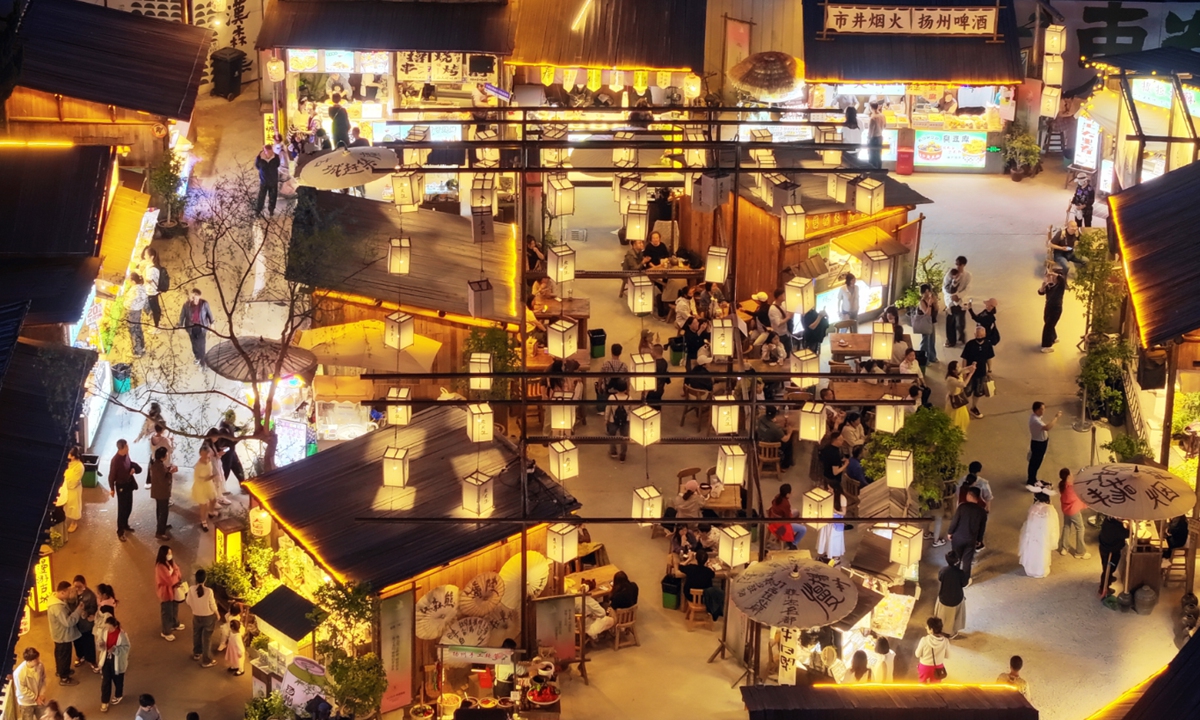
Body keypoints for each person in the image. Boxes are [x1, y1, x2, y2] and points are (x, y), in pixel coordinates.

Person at [1019, 481, 1060, 578]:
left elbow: (1029, 522)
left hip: (1033, 534)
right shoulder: (1050, 509)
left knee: (1032, 549)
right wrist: (1053, 538)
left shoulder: (1033, 508)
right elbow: (1054, 525)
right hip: (1044, 535)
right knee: (1042, 551)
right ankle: (1040, 570)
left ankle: (1031, 569)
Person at [947, 487, 987, 581]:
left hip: (958, 537)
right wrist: (979, 540)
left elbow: (955, 521)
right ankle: (965, 580)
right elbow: (982, 527)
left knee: (956, 557)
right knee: (967, 560)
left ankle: (954, 577)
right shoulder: (982, 511)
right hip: (971, 539)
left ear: (969, 495)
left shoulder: (962, 507)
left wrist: (950, 532)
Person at [48, 581, 83, 685]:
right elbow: (68, 622)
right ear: (62, 592)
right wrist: (78, 610)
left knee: (59, 654)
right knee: (65, 656)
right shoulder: (57, 607)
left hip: (57, 634)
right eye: (68, 592)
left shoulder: (55, 599)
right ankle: (64, 678)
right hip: (63, 636)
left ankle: (61, 671)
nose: (70, 594)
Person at [96, 615, 130, 712]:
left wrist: (115, 649)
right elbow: (100, 641)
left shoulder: (122, 635)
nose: (108, 630)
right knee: (106, 681)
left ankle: (118, 695)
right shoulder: (104, 631)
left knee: (118, 680)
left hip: (118, 661)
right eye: (107, 627)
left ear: (115, 626)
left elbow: (126, 648)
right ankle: (104, 701)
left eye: (110, 628)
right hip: (106, 659)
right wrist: (101, 645)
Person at [108, 439, 138, 542]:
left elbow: (129, 464)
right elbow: (111, 476)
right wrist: (112, 489)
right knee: (122, 509)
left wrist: (133, 469)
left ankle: (125, 524)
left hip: (128, 484)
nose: (128, 448)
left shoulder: (126, 455)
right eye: (127, 446)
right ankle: (120, 531)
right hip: (121, 486)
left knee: (129, 506)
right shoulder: (115, 461)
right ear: (122, 448)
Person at [960, 326, 994, 418]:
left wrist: (989, 370)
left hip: (981, 373)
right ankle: (962, 408)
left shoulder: (988, 344)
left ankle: (974, 407)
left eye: (981, 336)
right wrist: (964, 372)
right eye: (977, 336)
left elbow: (989, 358)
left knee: (978, 392)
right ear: (974, 335)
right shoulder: (969, 344)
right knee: (966, 391)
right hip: (969, 374)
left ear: (985, 334)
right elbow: (964, 359)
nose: (979, 338)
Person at [186, 570, 218, 667]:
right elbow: (212, 605)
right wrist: (217, 613)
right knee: (207, 638)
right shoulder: (209, 591)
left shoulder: (191, 589)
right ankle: (206, 660)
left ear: (196, 579)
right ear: (205, 579)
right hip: (208, 617)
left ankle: (197, 653)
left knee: (196, 634)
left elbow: (188, 601)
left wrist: (195, 608)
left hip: (196, 616)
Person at [1057, 468, 1091, 560]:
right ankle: (1080, 552)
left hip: (1066, 510)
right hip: (1073, 511)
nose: (1072, 474)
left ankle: (1064, 548)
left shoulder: (1063, 485)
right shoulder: (1072, 488)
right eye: (1071, 474)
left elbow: (1074, 480)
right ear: (1068, 476)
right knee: (1080, 528)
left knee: (1066, 526)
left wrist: (1079, 473)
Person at [957, 462, 993, 547]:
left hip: (963, 508)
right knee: (978, 527)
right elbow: (988, 497)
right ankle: (977, 542)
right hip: (978, 510)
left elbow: (958, 495)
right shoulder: (983, 483)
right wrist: (988, 509)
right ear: (979, 470)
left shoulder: (961, 480)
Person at [934, 550, 968, 638]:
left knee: (942, 616)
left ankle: (940, 629)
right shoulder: (960, 573)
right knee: (954, 617)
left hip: (944, 597)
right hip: (956, 598)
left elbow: (940, 579)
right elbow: (964, 583)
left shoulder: (943, 570)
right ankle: (952, 633)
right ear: (957, 561)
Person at [178, 288, 215, 367]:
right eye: (194, 298)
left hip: (202, 327)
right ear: (192, 297)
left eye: (197, 298)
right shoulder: (186, 305)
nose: (196, 300)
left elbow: (209, 314)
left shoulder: (204, 304)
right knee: (194, 344)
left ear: (199, 297)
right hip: (191, 328)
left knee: (202, 344)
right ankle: (197, 357)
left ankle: (203, 361)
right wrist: (180, 326)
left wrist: (212, 324)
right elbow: (182, 315)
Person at [1028, 401, 1062, 484]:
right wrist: (1056, 417)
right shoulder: (1035, 420)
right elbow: (1047, 427)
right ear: (1037, 410)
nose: (1044, 410)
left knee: (1036, 461)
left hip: (1040, 442)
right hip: (1039, 444)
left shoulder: (1035, 417)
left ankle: (1033, 478)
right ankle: (1031, 480)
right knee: (1035, 462)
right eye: (1042, 409)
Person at [155, 545, 184, 641]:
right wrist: (175, 574)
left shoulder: (170, 562)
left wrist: (175, 574)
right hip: (166, 593)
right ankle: (166, 631)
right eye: (168, 553)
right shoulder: (160, 567)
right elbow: (170, 581)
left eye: (171, 553)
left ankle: (174, 624)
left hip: (174, 591)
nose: (170, 555)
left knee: (174, 608)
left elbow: (178, 572)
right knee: (167, 612)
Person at [70, 576, 98, 673]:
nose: (77, 589)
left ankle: (92, 660)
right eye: (75, 586)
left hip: (86, 624)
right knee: (77, 641)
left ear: (84, 585)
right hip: (75, 623)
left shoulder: (90, 595)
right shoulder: (72, 594)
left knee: (88, 642)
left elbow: (94, 608)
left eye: (79, 586)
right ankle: (80, 656)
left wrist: (87, 613)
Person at [148, 446, 177, 540]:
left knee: (160, 510)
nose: (168, 455)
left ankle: (161, 526)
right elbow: (163, 480)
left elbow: (161, 474)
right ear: (163, 456)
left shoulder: (157, 464)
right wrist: (171, 472)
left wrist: (168, 469)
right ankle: (160, 532)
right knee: (163, 512)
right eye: (166, 453)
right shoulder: (159, 466)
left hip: (158, 492)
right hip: (162, 492)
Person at [767, 484, 807, 549]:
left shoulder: (777, 497)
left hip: (773, 521)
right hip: (781, 526)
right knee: (803, 529)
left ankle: (793, 533)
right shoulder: (785, 504)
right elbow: (788, 518)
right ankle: (793, 543)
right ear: (787, 494)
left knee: (796, 512)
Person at [1098, 515, 1130, 598]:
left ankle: (1110, 577)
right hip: (1111, 551)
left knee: (1105, 566)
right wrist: (1129, 525)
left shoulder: (1108, 520)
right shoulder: (1116, 527)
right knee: (1108, 569)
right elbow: (1128, 534)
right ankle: (1103, 587)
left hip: (1103, 547)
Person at [1038, 267, 1068, 352]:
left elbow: (1061, 279)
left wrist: (1051, 273)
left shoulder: (1060, 286)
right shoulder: (1049, 285)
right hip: (1048, 307)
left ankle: (1046, 345)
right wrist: (1043, 285)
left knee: (1048, 326)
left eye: (1054, 277)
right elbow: (1040, 292)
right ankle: (1053, 337)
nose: (1051, 278)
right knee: (1049, 323)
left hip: (1056, 308)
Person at [820, 433, 851, 511]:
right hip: (833, 479)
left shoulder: (827, 448)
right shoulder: (835, 454)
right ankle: (837, 511)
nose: (842, 441)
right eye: (841, 440)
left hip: (826, 474)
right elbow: (835, 472)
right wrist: (845, 465)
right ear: (836, 440)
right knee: (837, 497)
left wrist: (840, 462)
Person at [944, 361, 976, 436]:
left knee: (964, 418)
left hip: (959, 399)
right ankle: (954, 434)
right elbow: (963, 385)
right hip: (954, 401)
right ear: (953, 370)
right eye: (958, 367)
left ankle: (960, 432)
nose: (960, 368)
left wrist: (972, 366)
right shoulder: (951, 379)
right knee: (954, 420)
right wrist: (971, 374)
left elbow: (965, 369)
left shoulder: (958, 373)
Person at [914, 617, 950, 683]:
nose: (926, 627)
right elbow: (947, 656)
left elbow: (917, 654)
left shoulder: (924, 640)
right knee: (935, 686)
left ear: (931, 630)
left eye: (927, 626)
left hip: (925, 666)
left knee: (922, 684)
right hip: (938, 667)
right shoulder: (946, 641)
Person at [15, 647, 47, 720]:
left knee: (43, 717)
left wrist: (42, 693)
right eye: (36, 659)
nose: (38, 660)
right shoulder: (19, 673)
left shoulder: (40, 665)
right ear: (29, 661)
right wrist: (35, 698)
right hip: (26, 703)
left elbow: (43, 679)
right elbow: (22, 689)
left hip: (39, 699)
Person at [192, 445, 219, 532]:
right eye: (203, 454)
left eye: (207, 453)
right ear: (200, 453)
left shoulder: (209, 460)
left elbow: (211, 470)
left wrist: (212, 478)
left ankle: (211, 512)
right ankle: (203, 521)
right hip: (201, 486)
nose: (205, 455)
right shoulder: (198, 465)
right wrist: (209, 478)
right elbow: (197, 478)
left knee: (213, 499)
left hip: (209, 484)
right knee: (203, 505)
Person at [604, 378, 631, 462]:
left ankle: (613, 452)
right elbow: (631, 410)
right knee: (624, 438)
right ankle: (622, 456)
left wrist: (606, 420)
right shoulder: (629, 398)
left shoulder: (612, 397)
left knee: (612, 436)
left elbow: (608, 409)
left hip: (613, 420)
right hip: (625, 420)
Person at [124, 273, 147, 357]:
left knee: (134, 331)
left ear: (133, 281)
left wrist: (125, 303)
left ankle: (137, 352)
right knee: (138, 329)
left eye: (129, 280)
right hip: (138, 311)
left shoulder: (134, 290)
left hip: (133, 312)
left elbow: (130, 303)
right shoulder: (141, 287)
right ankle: (142, 347)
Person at [61, 448, 84, 533]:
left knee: (74, 506)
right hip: (66, 488)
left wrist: (67, 482)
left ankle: (74, 522)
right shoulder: (69, 463)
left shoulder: (79, 466)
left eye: (69, 454)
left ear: (73, 456)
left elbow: (74, 480)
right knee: (67, 504)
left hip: (74, 489)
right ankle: (69, 519)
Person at [916, 283, 939, 363]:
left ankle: (932, 357)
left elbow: (936, 309)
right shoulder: (922, 302)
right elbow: (927, 314)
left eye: (928, 291)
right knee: (926, 341)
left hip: (932, 322)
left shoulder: (932, 299)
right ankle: (923, 359)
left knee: (932, 341)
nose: (928, 293)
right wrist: (929, 304)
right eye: (926, 291)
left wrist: (934, 302)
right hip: (925, 324)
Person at [254, 145, 280, 215]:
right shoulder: (259, 157)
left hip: (273, 180)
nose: (268, 153)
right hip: (264, 180)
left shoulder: (276, 157)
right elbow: (257, 166)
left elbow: (278, 164)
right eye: (267, 151)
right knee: (261, 196)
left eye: (270, 151)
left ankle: (271, 210)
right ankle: (258, 210)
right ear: (264, 151)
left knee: (273, 196)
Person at [942, 268, 964, 347]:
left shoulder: (954, 281)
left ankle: (951, 341)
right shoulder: (951, 282)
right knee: (952, 323)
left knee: (951, 324)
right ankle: (952, 340)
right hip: (953, 304)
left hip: (954, 304)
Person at [645, 344, 669, 410]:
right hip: (660, 389)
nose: (651, 352)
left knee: (650, 408)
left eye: (652, 351)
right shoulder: (665, 362)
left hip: (652, 390)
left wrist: (646, 391)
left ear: (655, 352)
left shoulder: (653, 364)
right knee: (657, 405)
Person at [867, 101, 885, 168]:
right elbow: (885, 126)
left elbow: (870, 131)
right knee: (878, 156)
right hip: (880, 137)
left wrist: (868, 140)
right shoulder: (882, 116)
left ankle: (873, 171)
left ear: (871, 108)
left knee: (872, 156)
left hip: (873, 138)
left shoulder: (873, 118)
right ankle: (879, 170)